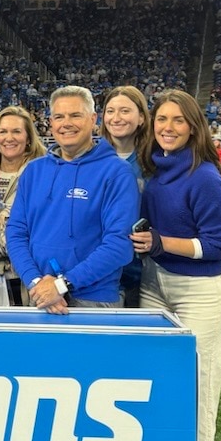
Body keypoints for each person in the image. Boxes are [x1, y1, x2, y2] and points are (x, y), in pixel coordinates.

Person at [6, 85, 138, 441]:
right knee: (44, 395)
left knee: (90, 398)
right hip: (40, 299)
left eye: (75, 116)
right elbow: (17, 233)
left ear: (93, 119)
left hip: (91, 302)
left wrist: (62, 284)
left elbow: (119, 246)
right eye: (58, 117)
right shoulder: (36, 171)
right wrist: (35, 282)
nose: (66, 123)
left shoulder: (114, 173)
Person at [131, 89, 221, 441]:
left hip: (199, 291)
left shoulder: (205, 176)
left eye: (177, 120)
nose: (167, 128)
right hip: (156, 283)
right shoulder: (156, 172)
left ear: (193, 126)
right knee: (157, 382)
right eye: (161, 120)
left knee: (199, 386)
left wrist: (159, 242)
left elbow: (219, 245)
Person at [0, 105, 46, 306]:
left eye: (16, 131)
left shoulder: (41, 173)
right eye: (3, 131)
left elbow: (38, 224)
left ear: (28, 137)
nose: (9, 138)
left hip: (24, 270)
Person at [99, 85, 150, 307]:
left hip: (143, 275)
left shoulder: (155, 161)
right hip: (99, 274)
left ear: (141, 117)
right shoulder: (90, 159)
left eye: (125, 111)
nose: (116, 118)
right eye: (110, 111)